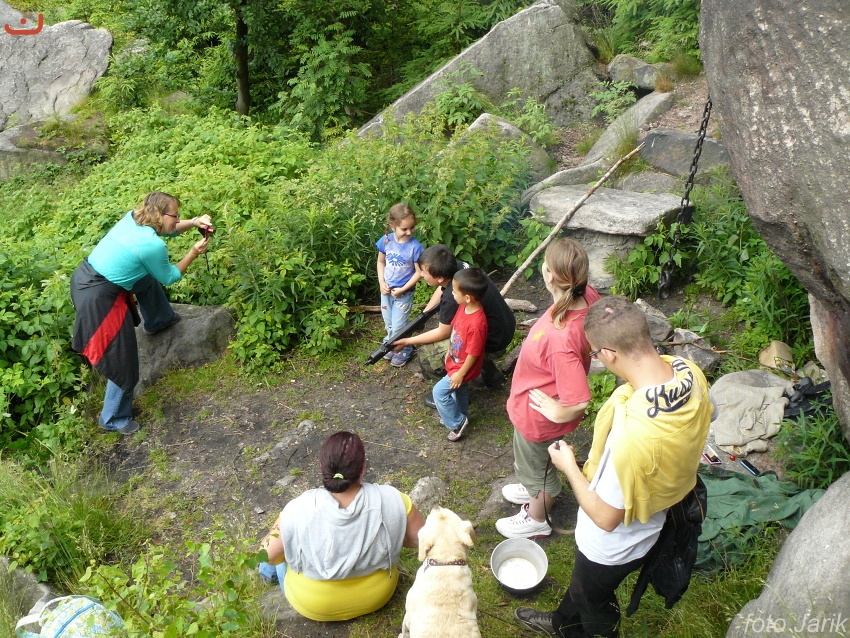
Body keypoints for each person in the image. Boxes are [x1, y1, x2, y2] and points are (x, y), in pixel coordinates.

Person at [514, 295, 715, 638]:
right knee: (582, 589)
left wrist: (568, 466)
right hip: (657, 520)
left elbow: (606, 517)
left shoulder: (631, 438)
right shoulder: (689, 374)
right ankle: (563, 625)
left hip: (615, 545)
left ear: (608, 354)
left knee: (594, 600)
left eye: (594, 354)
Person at [70, 192, 212, 434]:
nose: (178, 220)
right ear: (159, 214)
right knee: (122, 358)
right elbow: (170, 277)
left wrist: (194, 221)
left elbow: (169, 230)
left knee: (144, 276)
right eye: (175, 216)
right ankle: (113, 418)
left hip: (84, 278)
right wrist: (193, 253)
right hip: (99, 298)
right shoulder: (151, 245)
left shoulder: (133, 218)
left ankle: (159, 320)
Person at [259, 431, 425, 621]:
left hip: (315, 604)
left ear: (322, 467)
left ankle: (266, 576)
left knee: (274, 552)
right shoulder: (393, 499)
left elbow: (268, 556)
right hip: (375, 597)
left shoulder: (297, 508)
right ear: (363, 468)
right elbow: (420, 540)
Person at [496, 238, 600, 539]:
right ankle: (532, 485)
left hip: (537, 420)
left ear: (550, 275)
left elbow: (578, 400)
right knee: (533, 461)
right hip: (535, 409)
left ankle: (537, 515)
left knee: (538, 472)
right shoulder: (585, 295)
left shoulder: (560, 338)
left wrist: (558, 411)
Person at [391, 244, 515, 392]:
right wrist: (424, 315)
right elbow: (442, 287)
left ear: (439, 277)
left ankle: (449, 392)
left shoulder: (453, 296)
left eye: (423, 272)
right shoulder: (458, 269)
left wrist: (408, 341)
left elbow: (443, 332)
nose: (421, 275)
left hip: (493, 342)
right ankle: (490, 376)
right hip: (505, 326)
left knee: (427, 354)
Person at [431, 267, 489, 442]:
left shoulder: (477, 323)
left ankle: (457, 422)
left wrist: (461, 374)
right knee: (459, 390)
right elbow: (455, 329)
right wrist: (450, 349)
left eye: (455, 292)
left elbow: (473, 353)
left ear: (468, 297)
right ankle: (459, 414)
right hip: (456, 360)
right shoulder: (463, 307)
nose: (452, 294)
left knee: (439, 392)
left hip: (463, 367)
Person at [376, 203, 424, 367]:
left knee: (399, 325)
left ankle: (405, 349)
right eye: (404, 229)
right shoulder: (386, 241)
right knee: (388, 321)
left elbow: (419, 272)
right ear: (392, 226)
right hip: (386, 291)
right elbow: (380, 262)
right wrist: (382, 282)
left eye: (412, 227)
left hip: (404, 293)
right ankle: (392, 343)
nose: (409, 232)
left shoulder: (415, 247)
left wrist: (403, 289)